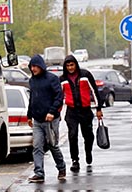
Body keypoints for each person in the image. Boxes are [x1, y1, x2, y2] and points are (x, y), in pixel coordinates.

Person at [26, 54, 67, 183]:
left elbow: (59, 97)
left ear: (41, 66)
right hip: (37, 120)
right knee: (37, 146)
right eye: (31, 66)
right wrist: (29, 115)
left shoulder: (52, 79)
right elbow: (32, 98)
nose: (33, 69)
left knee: (52, 145)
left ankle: (61, 167)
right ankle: (39, 173)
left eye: (35, 66)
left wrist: (52, 112)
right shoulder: (32, 81)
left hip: (50, 120)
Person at [59, 54, 103, 172]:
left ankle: (88, 151)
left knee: (88, 136)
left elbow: (94, 91)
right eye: (67, 65)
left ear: (76, 64)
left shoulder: (85, 75)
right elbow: (58, 97)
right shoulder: (62, 79)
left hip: (85, 110)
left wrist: (98, 108)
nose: (70, 68)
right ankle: (75, 160)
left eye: (72, 65)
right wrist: (56, 113)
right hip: (71, 111)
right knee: (72, 136)